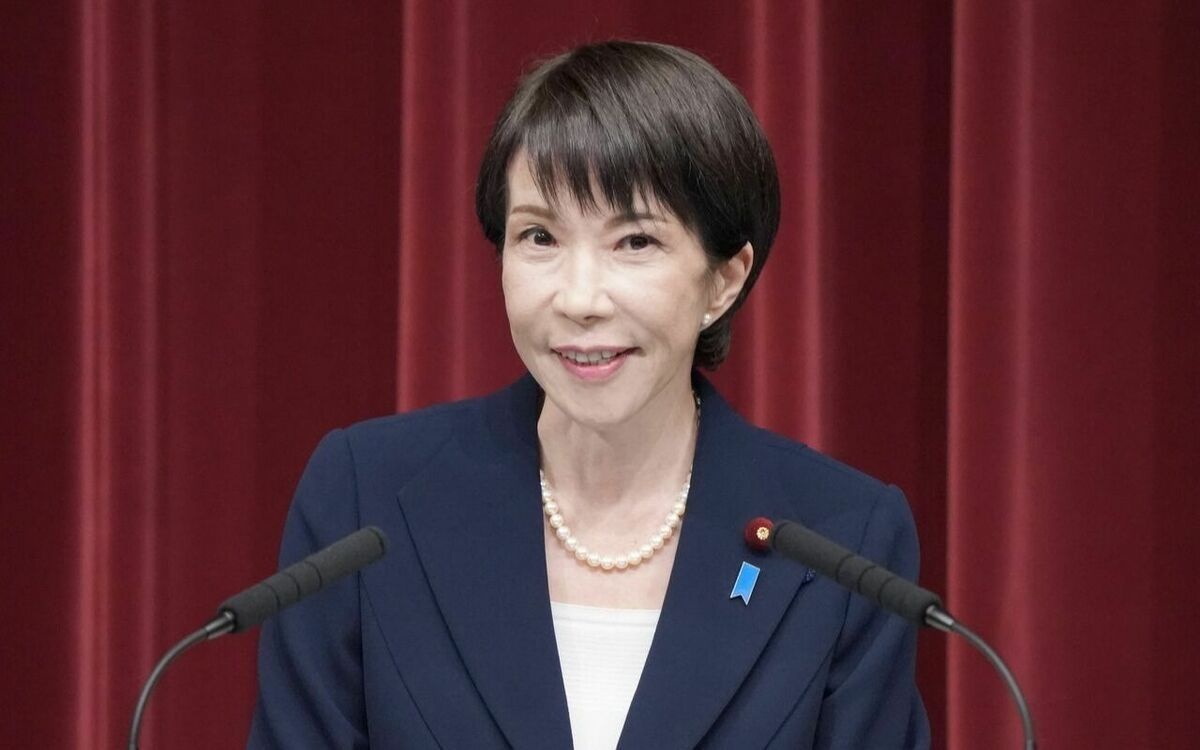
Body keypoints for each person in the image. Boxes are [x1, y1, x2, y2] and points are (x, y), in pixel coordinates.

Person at [249, 41, 929, 749]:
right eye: (540, 236)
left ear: (724, 281)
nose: (578, 299)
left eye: (634, 242)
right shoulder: (364, 499)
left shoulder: (840, 541)